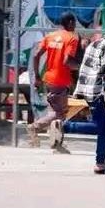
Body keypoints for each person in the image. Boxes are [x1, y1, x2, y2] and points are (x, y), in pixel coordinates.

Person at [49, 20, 105, 175]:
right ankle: (65, 127)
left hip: (86, 87)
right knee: (102, 126)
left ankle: (100, 163)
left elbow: (87, 66)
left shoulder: (96, 43)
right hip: (95, 90)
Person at [27, 12, 81, 151]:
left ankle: (56, 143)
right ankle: (35, 128)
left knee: (56, 111)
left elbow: (35, 54)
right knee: (59, 114)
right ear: (70, 23)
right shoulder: (71, 39)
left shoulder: (50, 36)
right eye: (74, 23)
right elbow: (67, 61)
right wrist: (81, 67)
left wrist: (38, 76)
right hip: (60, 80)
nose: (75, 26)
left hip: (49, 78)